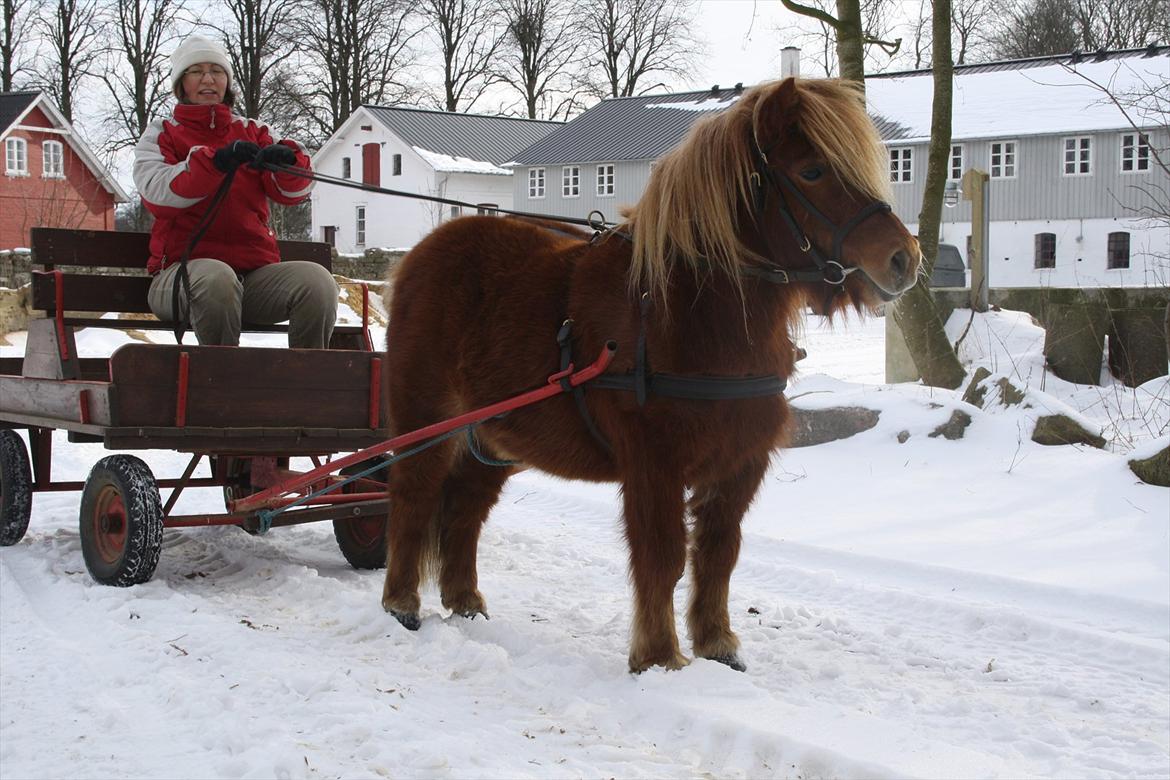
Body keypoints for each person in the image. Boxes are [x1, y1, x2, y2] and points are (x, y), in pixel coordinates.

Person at [133, 34, 337, 348]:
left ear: (227, 81)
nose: (208, 79)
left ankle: (305, 381)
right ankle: (221, 382)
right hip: (179, 279)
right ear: (180, 84)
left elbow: (294, 193)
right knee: (217, 279)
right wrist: (216, 162)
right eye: (196, 71)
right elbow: (159, 195)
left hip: (253, 279)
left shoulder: (254, 132)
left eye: (216, 71)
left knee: (317, 282)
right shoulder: (162, 133)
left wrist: (287, 164)